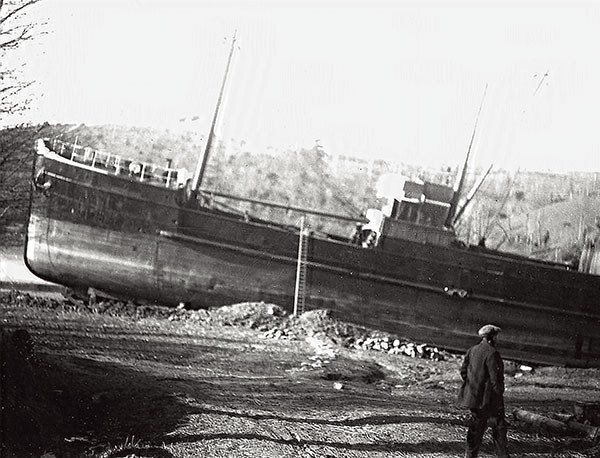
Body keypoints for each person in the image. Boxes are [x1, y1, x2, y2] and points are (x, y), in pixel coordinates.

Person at [457, 324, 510, 458]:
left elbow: (463, 372)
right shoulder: (492, 353)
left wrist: (474, 385)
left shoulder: (472, 350)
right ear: (492, 337)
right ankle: (502, 456)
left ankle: (470, 456)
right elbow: (495, 379)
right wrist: (499, 395)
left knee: (476, 427)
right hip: (488, 399)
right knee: (499, 427)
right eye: (497, 337)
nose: (498, 339)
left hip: (474, 398)